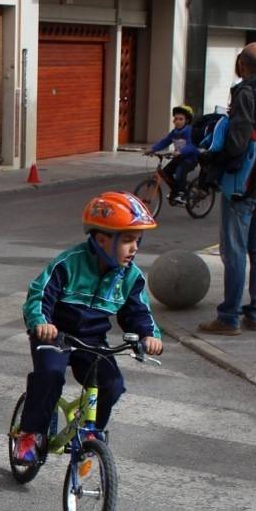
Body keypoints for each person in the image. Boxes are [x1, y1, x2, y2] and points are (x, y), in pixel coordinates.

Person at [13, 192, 164, 462]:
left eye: (137, 240)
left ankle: (91, 432)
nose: (134, 248)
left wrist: (148, 335)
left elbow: (139, 311)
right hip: (55, 335)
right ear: (102, 239)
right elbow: (40, 294)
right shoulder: (69, 263)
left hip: (92, 340)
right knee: (50, 376)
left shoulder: (130, 277)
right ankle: (30, 433)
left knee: (112, 384)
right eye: (127, 240)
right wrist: (41, 322)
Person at [197, 43, 256, 336]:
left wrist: (214, 158)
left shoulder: (246, 93)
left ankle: (229, 317)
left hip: (246, 183)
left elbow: (238, 142)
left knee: (235, 251)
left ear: (241, 64)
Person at [147, 105, 198, 204]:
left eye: (181, 119)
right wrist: (153, 149)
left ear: (187, 120)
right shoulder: (174, 132)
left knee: (180, 171)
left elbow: (191, 145)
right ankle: (176, 190)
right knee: (165, 173)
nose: (177, 121)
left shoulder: (190, 131)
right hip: (179, 157)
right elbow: (165, 141)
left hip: (190, 159)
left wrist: (180, 151)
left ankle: (182, 194)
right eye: (176, 119)